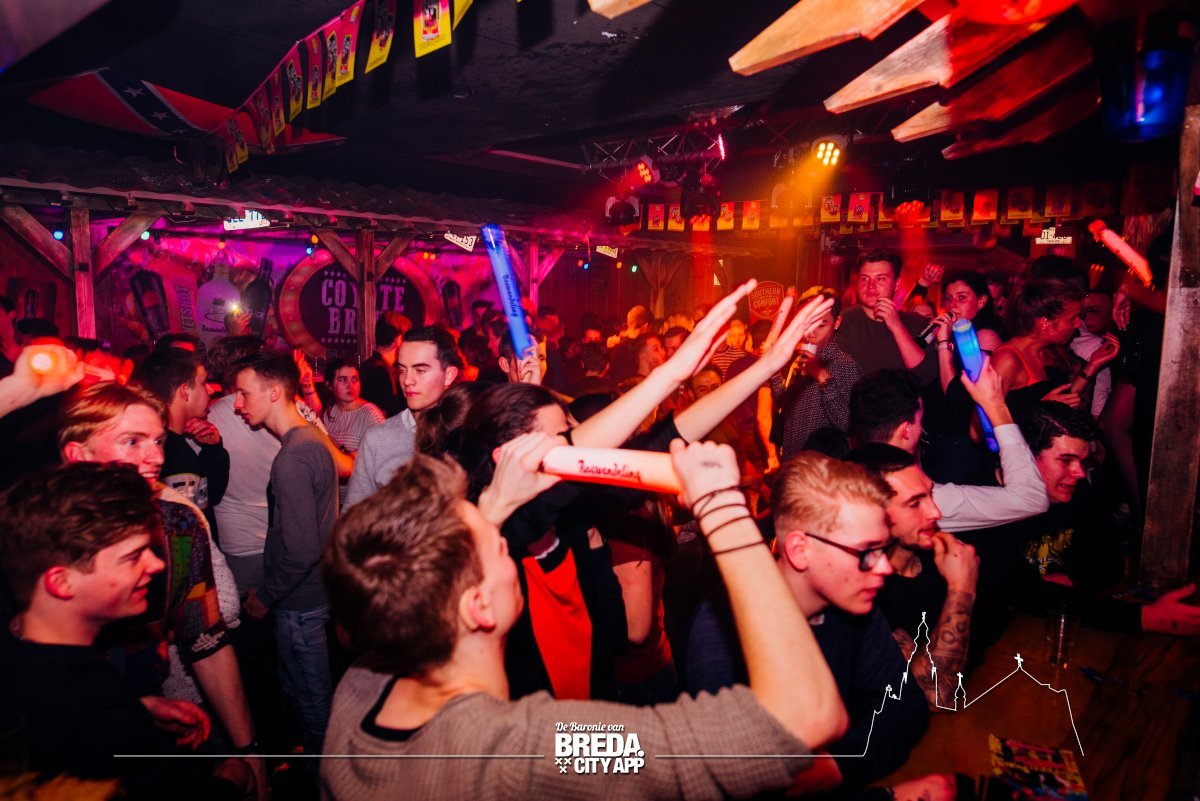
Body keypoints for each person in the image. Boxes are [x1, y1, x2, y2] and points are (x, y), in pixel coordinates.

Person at [321, 438, 848, 800]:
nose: (506, 540)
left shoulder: (358, 688)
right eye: (498, 546)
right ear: (477, 607)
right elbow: (803, 719)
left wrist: (497, 501)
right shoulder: (537, 752)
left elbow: (427, 578)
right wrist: (723, 507)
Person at [0, 463, 257, 801]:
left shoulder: (26, 662)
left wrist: (137, 706)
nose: (156, 564)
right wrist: (233, 778)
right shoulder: (105, 719)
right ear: (61, 583)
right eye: (133, 556)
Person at [58, 382, 263, 791]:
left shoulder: (176, 522)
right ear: (78, 455)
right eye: (132, 441)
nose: (155, 458)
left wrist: (249, 749)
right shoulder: (36, 529)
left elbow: (205, 637)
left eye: (158, 441)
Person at [963, 402, 1200, 637]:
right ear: (1021, 457)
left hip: (1052, 627)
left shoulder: (1073, 492)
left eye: (1082, 461)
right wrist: (1146, 618)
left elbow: (1111, 560)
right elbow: (1020, 594)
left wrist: (1070, 579)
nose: (1079, 472)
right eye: (1066, 460)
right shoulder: (980, 507)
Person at [235, 354, 339, 761]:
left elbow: (301, 550)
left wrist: (265, 596)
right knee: (308, 695)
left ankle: (324, 779)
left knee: (313, 707)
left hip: (299, 605)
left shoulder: (293, 457)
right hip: (313, 597)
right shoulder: (311, 440)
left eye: (244, 394)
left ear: (275, 392)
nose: (238, 405)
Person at [846, 444, 983, 697]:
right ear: (873, 514)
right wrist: (962, 589)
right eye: (914, 503)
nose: (936, 512)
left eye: (930, 494)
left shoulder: (941, 559)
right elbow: (935, 694)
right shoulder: (865, 591)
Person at [849, 363, 1050, 533]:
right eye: (920, 418)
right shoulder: (922, 500)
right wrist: (996, 405)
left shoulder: (850, 479)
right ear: (906, 430)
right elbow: (1030, 499)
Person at [345, 325, 461, 506]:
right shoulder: (378, 439)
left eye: (420, 370)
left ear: (449, 375)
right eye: (402, 370)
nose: (407, 380)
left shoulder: (465, 434)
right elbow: (354, 516)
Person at [134, 348, 229, 533]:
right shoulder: (162, 451)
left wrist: (213, 450)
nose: (210, 390)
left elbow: (209, 498)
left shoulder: (177, 443)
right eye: (203, 382)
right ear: (185, 391)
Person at [992, 278, 1117, 414]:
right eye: (1072, 318)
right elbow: (983, 421)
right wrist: (1041, 407)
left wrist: (1093, 364)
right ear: (1044, 323)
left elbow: (1062, 400)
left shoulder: (1049, 351)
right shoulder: (1007, 359)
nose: (1078, 324)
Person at [777, 287, 862, 462]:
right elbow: (784, 405)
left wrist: (821, 375)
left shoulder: (845, 364)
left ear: (837, 322)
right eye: (807, 324)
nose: (812, 332)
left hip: (822, 467)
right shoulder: (796, 358)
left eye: (821, 325)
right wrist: (772, 371)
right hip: (792, 461)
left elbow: (847, 423)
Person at [834, 249, 936, 383]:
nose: (871, 286)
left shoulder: (917, 323)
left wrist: (896, 326)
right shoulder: (843, 320)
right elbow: (832, 374)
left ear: (896, 284)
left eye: (880, 278)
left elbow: (925, 375)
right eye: (864, 278)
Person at [321, 359, 385, 503]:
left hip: (362, 501)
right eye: (343, 380)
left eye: (354, 379)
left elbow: (379, 460)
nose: (350, 385)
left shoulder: (371, 414)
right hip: (336, 499)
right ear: (329, 385)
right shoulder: (330, 412)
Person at [359, 311, 411, 418]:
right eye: (405, 338)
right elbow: (380, 419)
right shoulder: (379, 372)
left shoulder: (369, 366)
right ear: (397, 340)